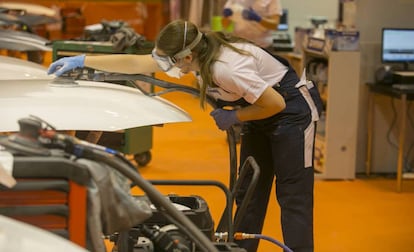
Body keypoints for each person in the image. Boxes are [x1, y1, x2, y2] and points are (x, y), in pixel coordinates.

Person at [47, 19, 322, 252]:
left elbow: (275, 104)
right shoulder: (197, 55)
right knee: (249, 191)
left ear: (187, 57)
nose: (165, 65)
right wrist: (84, 60)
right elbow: (139, 62)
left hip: (291, 112)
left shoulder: (226, 68)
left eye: (170, 61)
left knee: (292, 196)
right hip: (260, 109)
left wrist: (235, 117)